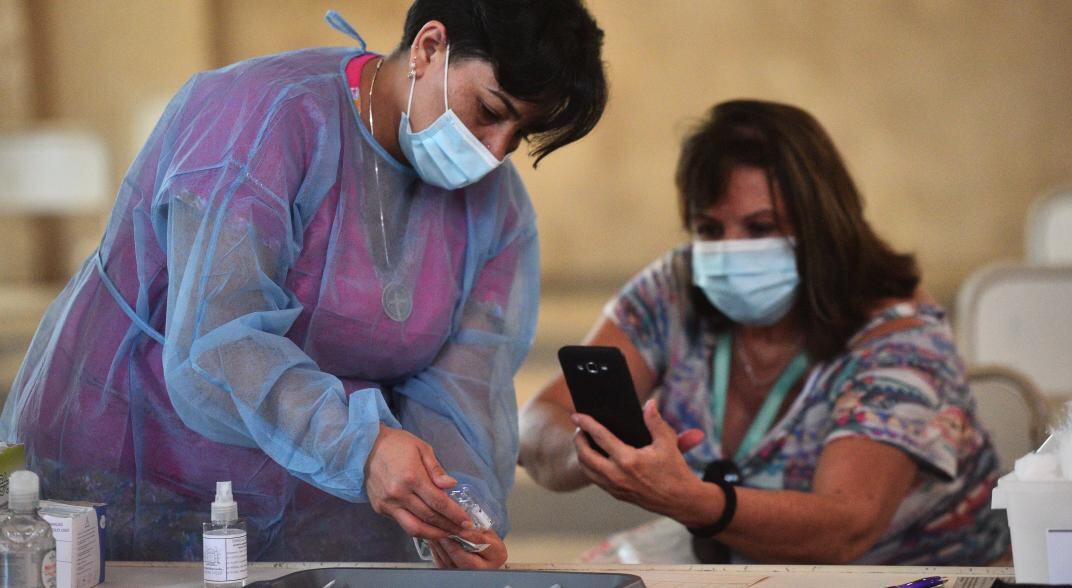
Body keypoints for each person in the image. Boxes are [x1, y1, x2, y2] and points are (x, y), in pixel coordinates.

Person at [0, 0, 607, 567]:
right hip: (137, 458)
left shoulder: (495, 213)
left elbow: (463, 391)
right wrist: (362, 448)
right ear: (428, 47)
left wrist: (456, 510)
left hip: (318, 494)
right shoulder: (264, 118)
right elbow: (219, 345)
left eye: (519, 135)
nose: (495, 151)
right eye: (490, 112)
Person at [518, 100, 1009, 565]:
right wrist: (602, 450)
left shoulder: (898, 336)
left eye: (760, 228)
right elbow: (538, 422)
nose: (731, 252)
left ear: (824, 227)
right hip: (747, 566)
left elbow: (847, 527)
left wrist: (695, 501)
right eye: (709, 230)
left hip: (912, 572)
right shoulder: (678, 288)